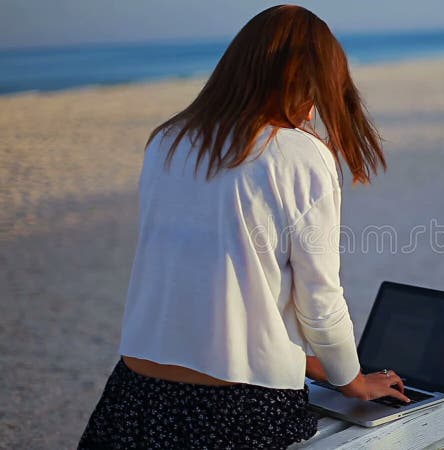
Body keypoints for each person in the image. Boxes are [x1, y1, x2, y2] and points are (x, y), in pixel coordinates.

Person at [78, 5, 410, 449]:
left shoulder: (168, 140)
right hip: (237, 406)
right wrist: (353, 383)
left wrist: (312, 363)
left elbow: (212, 279)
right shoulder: (299, 154)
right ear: (308, 84)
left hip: (137, 391)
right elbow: (319, 300)